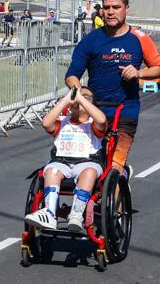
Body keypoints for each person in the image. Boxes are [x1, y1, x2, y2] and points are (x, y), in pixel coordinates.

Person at [65, 0, 160, 176]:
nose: (110, 12)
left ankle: (116, 191)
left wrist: (138, 73)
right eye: (107, 7)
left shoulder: (139, 38)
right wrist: (79, 94)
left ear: (126, 9)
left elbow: (159, 68)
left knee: (114, 168)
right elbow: (71, 75)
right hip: (94, 111)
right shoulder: (91, 40)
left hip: (125, 109)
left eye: (116, 7)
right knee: (91, 164)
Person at [24, 86, 107, 233]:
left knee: (88, 172)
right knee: (51, 170)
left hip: (88, 162)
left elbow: (101, 119)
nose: (80, 97)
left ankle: (76, 214)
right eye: (78, 95)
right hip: (62, 161)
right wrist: (66, 100)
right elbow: (46, 123)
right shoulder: (62, 121)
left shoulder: (93, 124)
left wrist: (81, 98)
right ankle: (49, 213)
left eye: (86, 96)